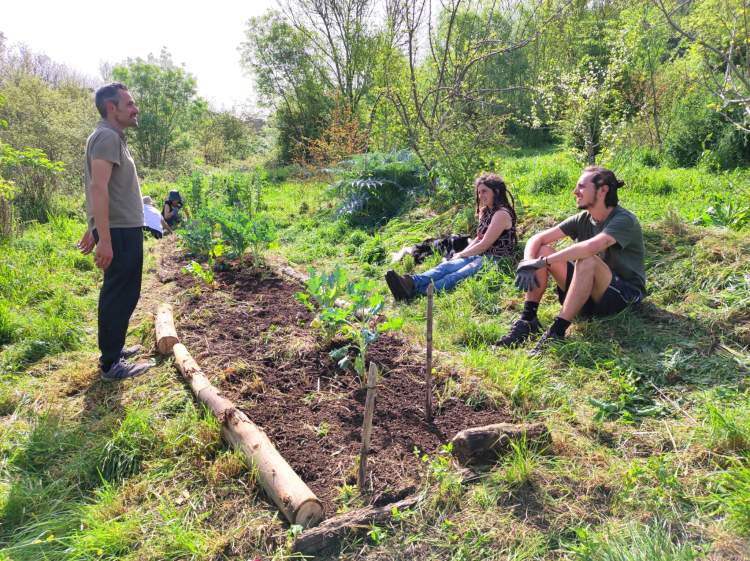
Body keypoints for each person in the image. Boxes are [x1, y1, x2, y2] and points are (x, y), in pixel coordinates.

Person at [496, 166, 645, 356]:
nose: (575, 192)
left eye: (582, 187)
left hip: (624, 296)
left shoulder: (624, 220)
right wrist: (528, 261)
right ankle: (528, 320)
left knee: (586, 259)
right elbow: (537, 238)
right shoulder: (584, 218)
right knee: (542, 249)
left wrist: (543, 262)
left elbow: (591, 247)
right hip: (588, 297)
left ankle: (557, 330)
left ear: (603, 190)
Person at [77, 82, 152, 381]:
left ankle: (115, 349)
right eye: (130, 104)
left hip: (121, 228)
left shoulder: (111, 137)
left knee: (124, 292)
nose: (136, 109)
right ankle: (110, 364)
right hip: (118, 231)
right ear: (112, 108)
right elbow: (98, 186)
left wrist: (93, 226)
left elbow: (103, 188)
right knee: (118, 293)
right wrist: (103, 238)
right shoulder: (107, 137)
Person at [385, 173, 517, 300]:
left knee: (458, 274)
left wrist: (462, 255)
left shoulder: (501, 214)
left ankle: (417, 291)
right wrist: (462, 253)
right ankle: (411, 282)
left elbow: (484, 244)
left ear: (496, 191)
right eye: (479, 192)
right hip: (481, 253)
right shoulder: (485, 211)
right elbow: (479, 238)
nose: (480, 195)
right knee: (446, 267)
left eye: (484, 191)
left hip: (497, 258)